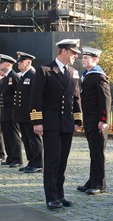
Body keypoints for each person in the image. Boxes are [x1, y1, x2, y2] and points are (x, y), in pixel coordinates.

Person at [30, 39, 82, 210]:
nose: (76, 56)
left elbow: (75, 98)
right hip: (50, 123)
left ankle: (60, 194)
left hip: (66, 124)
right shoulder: (44, 71)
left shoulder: (73, 72)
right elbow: (36, 98)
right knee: (52, 160)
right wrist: (37, 121)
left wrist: (77, 120)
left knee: (63, 161)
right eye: (74, 53)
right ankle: (51, 197)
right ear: (64, 51)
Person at [76, 47, 111, 195]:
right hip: (90, 119)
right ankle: (92, 180)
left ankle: (99, 184)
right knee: (93, 152)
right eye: (83, 57)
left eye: (86, 58)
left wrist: (103, 119)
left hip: (97, 121)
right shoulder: (88, 75)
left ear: (95, 60)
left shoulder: (99, 76)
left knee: (97, 153)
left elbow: (105, 99)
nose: (83, 60)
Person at [14, 51, 43, 173]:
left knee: (33, 139)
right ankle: (31, 161)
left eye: (21, 62)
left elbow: (35, 97)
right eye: (19, 62)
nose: (19, 64)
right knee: (26, 139)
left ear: (29, 62)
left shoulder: (33, 75)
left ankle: (38, 163)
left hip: (30, 114)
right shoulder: (23, 76)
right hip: (22, 114)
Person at [0, 54, 23, 168]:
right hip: (5, 111)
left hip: (12, 112)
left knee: (13, 136)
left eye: (1, 63)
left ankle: (17, 159)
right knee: (7, 135)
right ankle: (10, 157)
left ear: (8, 64)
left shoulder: (13, 76)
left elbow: (18, 95)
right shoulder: (7, 77)